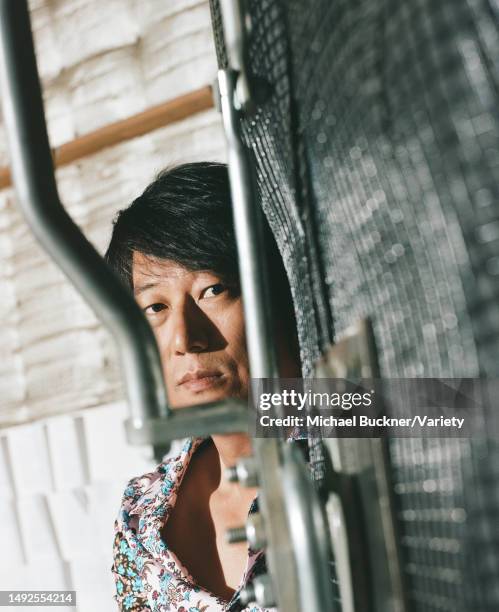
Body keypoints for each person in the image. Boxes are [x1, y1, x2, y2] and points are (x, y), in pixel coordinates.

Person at [106, 162, 302, 611]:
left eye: (213, 290)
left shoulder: (362, 418)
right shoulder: (142, 516)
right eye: (155, 306)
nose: (184, 338)